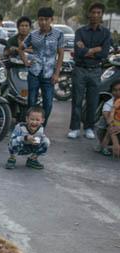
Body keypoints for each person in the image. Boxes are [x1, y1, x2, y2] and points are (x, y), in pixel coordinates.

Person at [68, 2, 112, 140]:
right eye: (93, 12)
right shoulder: (80, 32)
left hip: (95, 70)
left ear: (102, 15)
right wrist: (95, 49)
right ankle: (74, 128)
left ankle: (89, 127)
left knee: (93, 101)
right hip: (80, 69)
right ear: (89, 14)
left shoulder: (106, 33)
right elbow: (78, 52)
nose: (96, 15)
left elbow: (104, 53)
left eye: (99, 13)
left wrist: (87, 50)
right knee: (77, 100)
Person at [19, 7, 64, 127]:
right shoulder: (33, 35)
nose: (43, 22)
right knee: (31, 102)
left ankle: (41, 127)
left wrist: (57, 74)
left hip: (49, 75)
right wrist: (26, 62)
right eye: (41, 19)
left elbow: (60, 54)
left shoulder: (58, 34)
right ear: (38, 20)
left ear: (51, 19)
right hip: (34, 73)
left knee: (48, 103)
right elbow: (21, 48)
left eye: (46, 19)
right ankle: (30, 126)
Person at [98, 79, 120, 157]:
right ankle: (104, 146)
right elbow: (109, 122)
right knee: (110, 125)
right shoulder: (109, 104)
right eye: (115, 90)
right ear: (111, 92)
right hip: (107, 130)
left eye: (119, 90)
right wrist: (115, 142)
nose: (118, 93)